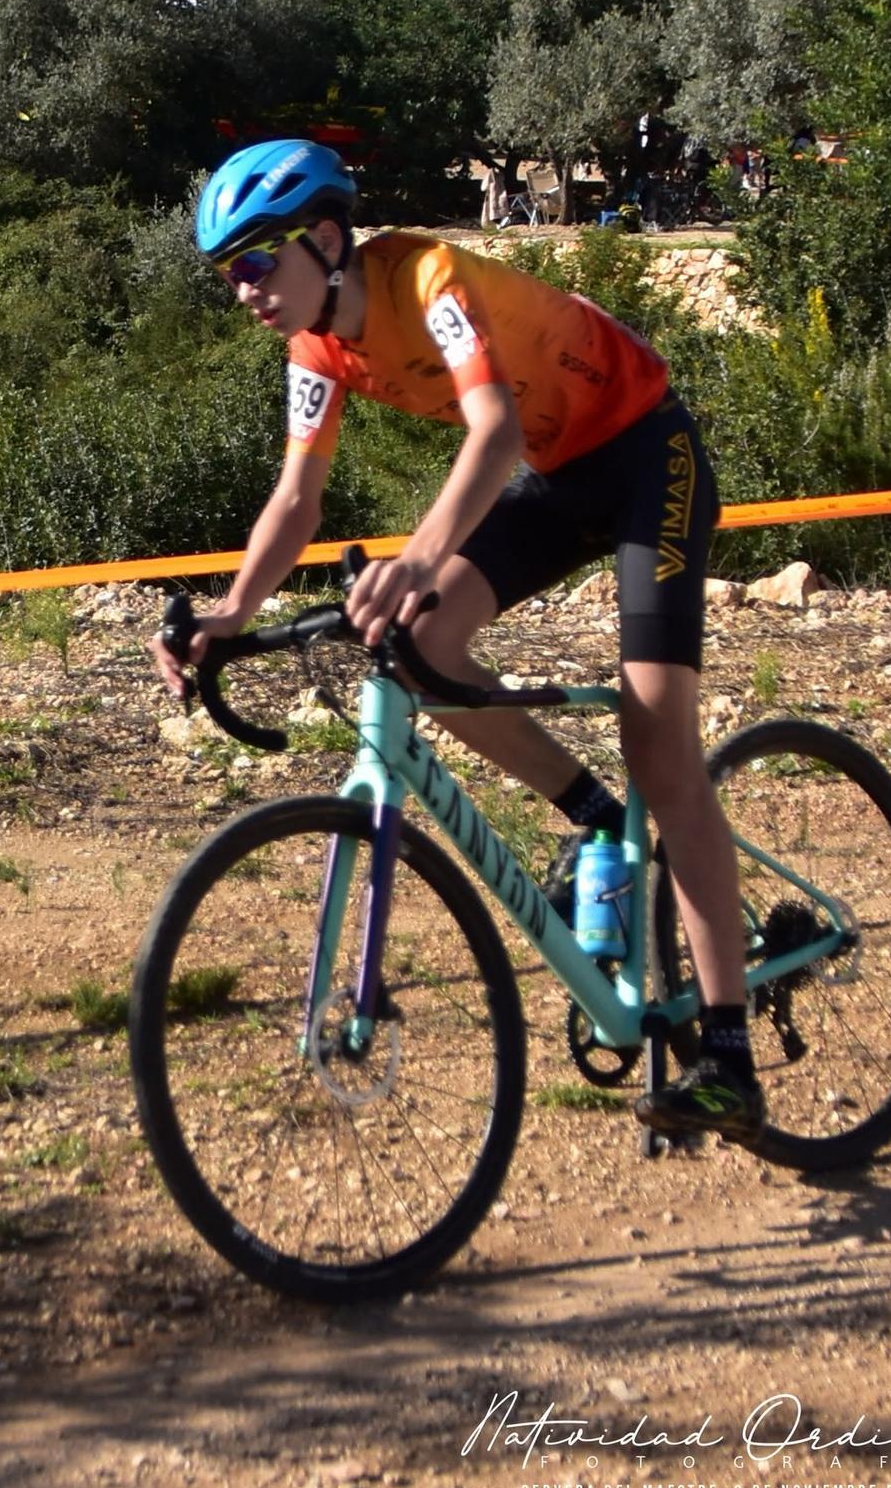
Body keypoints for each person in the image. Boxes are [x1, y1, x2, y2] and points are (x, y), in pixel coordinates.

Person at [149, 137, 764, 1146]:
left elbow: (495, 432)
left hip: (648, 450)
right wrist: (232, 614)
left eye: (258, 261)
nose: (245, 290)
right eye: (229, 274)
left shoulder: (427, 278)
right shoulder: (315, 348)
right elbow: (296, 498)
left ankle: (729, 1053)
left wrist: (421, 556)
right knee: (425, 649)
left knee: (657, 727)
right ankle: (603, 818)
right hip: (562, 473)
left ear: (328, 239)